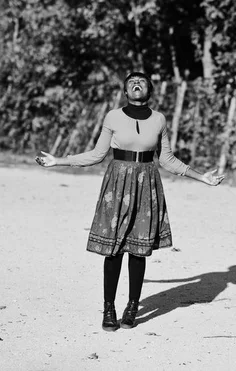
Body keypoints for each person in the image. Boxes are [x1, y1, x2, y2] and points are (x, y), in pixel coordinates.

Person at [35, 72, 225, 331]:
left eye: (142, 82)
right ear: (125, 91)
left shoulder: (159, 119)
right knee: (113, 249)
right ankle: (109, 308)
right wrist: (58, 161)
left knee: (138, 249)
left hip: (146, 182)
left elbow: (166, 159)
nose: (137, 84)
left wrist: (202, 177)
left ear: (150, 90)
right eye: (132, 82)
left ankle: (133, 306)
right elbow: (97, 154)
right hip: (117, 182)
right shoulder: (113, 116)